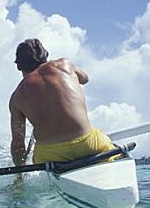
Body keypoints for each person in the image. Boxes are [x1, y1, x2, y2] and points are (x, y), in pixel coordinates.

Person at [9, 38, 115, 166]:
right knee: (107, 143)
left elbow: (18, 145)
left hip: (51, 155)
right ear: (45, 57)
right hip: (88, 144)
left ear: (19, 67)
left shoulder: (16, 97)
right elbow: (85, 79)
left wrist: (19, 174)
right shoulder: (65, 65)